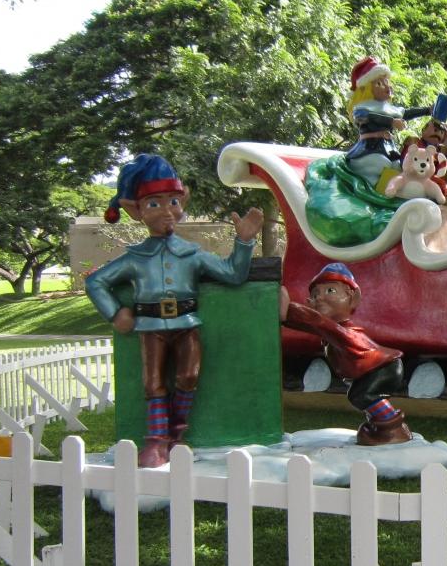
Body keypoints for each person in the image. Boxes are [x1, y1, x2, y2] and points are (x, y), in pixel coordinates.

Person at [86, 154, 263, 468]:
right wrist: (115, 313)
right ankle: (156, 441)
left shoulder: (191, 254)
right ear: (135, 210)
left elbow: (233, 275)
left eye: (174, 202)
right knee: (153, 381)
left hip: (186, 322)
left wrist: (244, 242)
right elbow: (96, 281)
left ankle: (175, 434)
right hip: (150, 326)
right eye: (154, 204)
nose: (167, 211)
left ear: (183, 204)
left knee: (189, 375)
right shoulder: (135, 258)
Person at [280, 262, 412, 445]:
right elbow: (316, 324)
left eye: (330, 291)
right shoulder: (332, 330)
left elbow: (317, 322)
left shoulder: (343, 331)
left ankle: (393, 429)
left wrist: (288, 311)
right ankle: (381, 427)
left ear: (353, 298)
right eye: (315, 295)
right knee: (360, 395)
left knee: (362, 395)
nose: (320, 298)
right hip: (375, 370)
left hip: (384, 368)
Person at [344, 57, 435, 187]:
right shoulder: (362, 108)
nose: (387, 86)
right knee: (381, 165)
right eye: (379, 83)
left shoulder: (389, 108)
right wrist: (391, 122)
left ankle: (386, 191)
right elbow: (367, 118)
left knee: (398, 166)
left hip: (388, 148)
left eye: (386, 82)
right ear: (368, 89)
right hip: (369, 149)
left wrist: (427, 110)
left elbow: (406, 113)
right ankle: (368, 187)